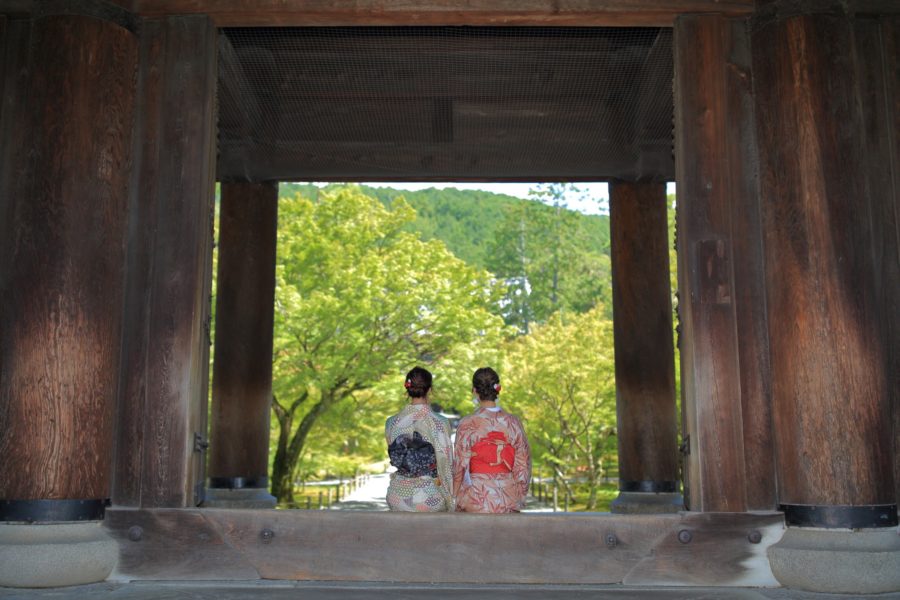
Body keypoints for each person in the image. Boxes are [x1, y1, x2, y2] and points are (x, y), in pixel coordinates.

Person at [453, 367, 531, 513]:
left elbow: (460, 466)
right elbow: (522, 465)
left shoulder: (468, 423)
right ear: (497, 389)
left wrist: (454, 495)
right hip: (507, 498)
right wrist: (519, 495)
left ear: (474, 390)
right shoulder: (513, 423)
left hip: (476, 498)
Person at [384, 366, 453, 511]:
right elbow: (445, 463)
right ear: (429, 390)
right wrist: (451, 500)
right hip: (429, 497)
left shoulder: (391, 423)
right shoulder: (439, 422)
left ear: (407, 389)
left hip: (397, 497)